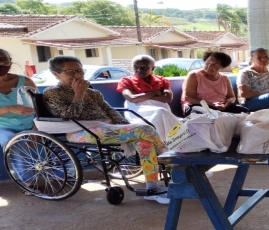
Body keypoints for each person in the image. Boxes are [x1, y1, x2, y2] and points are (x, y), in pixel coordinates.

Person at [43, 56, 170, 204]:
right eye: (71, 72)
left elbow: (111, 112)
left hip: (107, 128)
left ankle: (152, 188)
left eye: (80, 71)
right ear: (55, 73)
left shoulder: (93, 93)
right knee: (145, 129)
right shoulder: (53, 92)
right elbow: (69, 116)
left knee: (144, 142)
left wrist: (124, 125)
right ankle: (171, 160)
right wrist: (79, 95)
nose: (78, 75)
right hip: (80, 131)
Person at [117, 54, 180, 140]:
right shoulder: (127, 81)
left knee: (161, 114)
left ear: (153, 68)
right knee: (160, 112)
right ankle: (167, 144)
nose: (139, 70)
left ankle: (173, 142)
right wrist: (153, 93)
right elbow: (132, 98)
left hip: (160, 108)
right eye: (136, 67)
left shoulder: (161, 80)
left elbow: (168, 98)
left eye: (144, 67)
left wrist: (143, 96)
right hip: (138, 110)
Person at [0, 49, 37, 178]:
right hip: (3, 127)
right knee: (14, 142)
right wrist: (8, 109)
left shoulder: (25, 81)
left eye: (4, 60)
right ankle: (28, 183)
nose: (1, 64)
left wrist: (36, 127)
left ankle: (65, 175)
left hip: (31, 124)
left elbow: (40, 104)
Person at [182, 51, 249, 116]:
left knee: (245, 112)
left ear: (222, 67)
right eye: (207, 63)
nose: (209, 66)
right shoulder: (194, 75)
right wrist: (211, 104)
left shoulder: (224, 78)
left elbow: (231, 97)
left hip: (219, 107)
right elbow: (188, 98)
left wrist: (228, 102)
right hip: (199, 106)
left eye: (215, 65)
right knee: (210, 116)